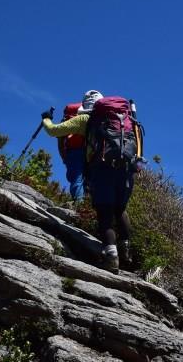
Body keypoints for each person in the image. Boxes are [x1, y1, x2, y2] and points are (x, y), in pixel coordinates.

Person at [41, 90, 135, 272]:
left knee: (105, 213)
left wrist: (46, 118)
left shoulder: (85, 120)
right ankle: (127, 253)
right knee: (120, 209)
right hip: (127, 169)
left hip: (102, 170)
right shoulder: (125, 118)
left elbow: (53, 131)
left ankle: (112, 258)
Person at [56, 102, 86, 201]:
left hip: (73, 151)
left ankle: (79, 206)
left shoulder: (66, 119)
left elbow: (60, 141)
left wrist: (64, 157)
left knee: (76, 179)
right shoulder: (88, 117)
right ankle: (90, 209)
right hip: (91, 150)